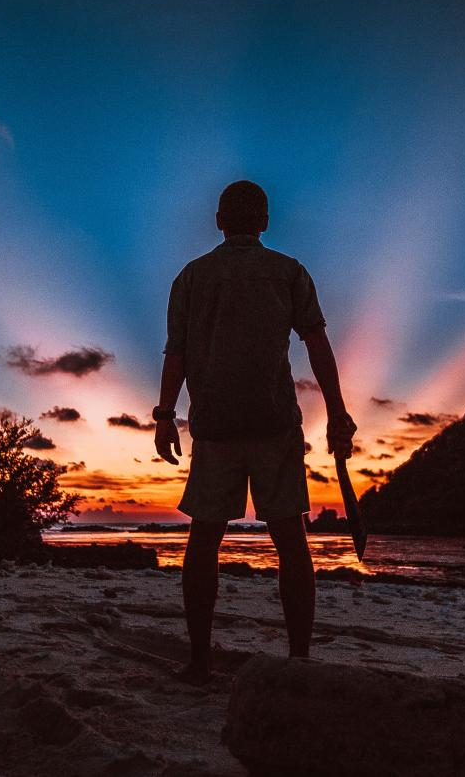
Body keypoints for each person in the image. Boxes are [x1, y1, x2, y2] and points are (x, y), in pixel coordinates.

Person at [153, 180, 355, 684]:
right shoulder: (287, 272)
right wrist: (337, 411)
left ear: (219, 221)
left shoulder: (192, 277)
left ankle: (200, 662)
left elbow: (175, 354)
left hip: (216, 426)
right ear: (264, 223)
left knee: (205, 538)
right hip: (273, 422)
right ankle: (300, 659)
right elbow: (317, 345)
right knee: (290, 538)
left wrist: (163, 414)